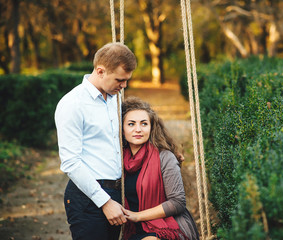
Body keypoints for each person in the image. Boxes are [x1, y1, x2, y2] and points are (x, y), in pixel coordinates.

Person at [54, 42, 137, 240]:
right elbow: (70, 163)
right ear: (100, 71)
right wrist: (105, 202)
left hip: (117, 193)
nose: (124, 86)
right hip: (88, 199)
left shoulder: (114, 98)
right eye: (120, 80)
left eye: (126, 80)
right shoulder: (72, 104)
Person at [121, 97, 199, 240]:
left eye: (144, 124)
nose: (138, 129)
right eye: (131, 124)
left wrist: (137, 216)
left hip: (167, 227)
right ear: (122, 128)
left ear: (151, 128)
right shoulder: (118, 160)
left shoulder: (165, 157)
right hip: (131, 229)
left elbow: (177, 202)